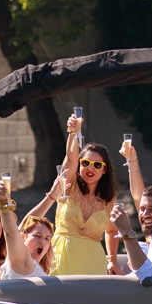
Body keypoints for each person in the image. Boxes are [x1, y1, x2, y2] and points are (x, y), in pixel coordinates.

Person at [41, 112, 119, 275]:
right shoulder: (68, 185)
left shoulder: (108, 199)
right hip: (62, 259)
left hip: (93, 264)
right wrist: (73, 133)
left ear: (104, 170)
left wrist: (112, 260)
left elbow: (112, 231)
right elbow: (70, 159)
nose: (90, 168)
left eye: (97, 165)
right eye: (85, 163)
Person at [0, 180, 53, 278]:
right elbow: (11, 234)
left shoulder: (39, 267)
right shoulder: (20, 259)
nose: (42, 241)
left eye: (47, 238)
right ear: (23, 237)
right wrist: (3, 200)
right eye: (37, 236)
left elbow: (27, 223)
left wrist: (53, 196)